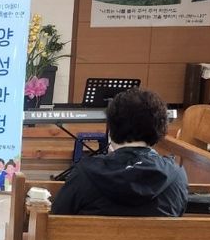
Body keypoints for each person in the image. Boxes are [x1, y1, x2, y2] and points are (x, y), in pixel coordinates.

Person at [49, 88, 187, 217]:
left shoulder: (85, 174)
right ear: (160, 127)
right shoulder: (176, 176)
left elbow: (57, 218)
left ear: (111, 128)